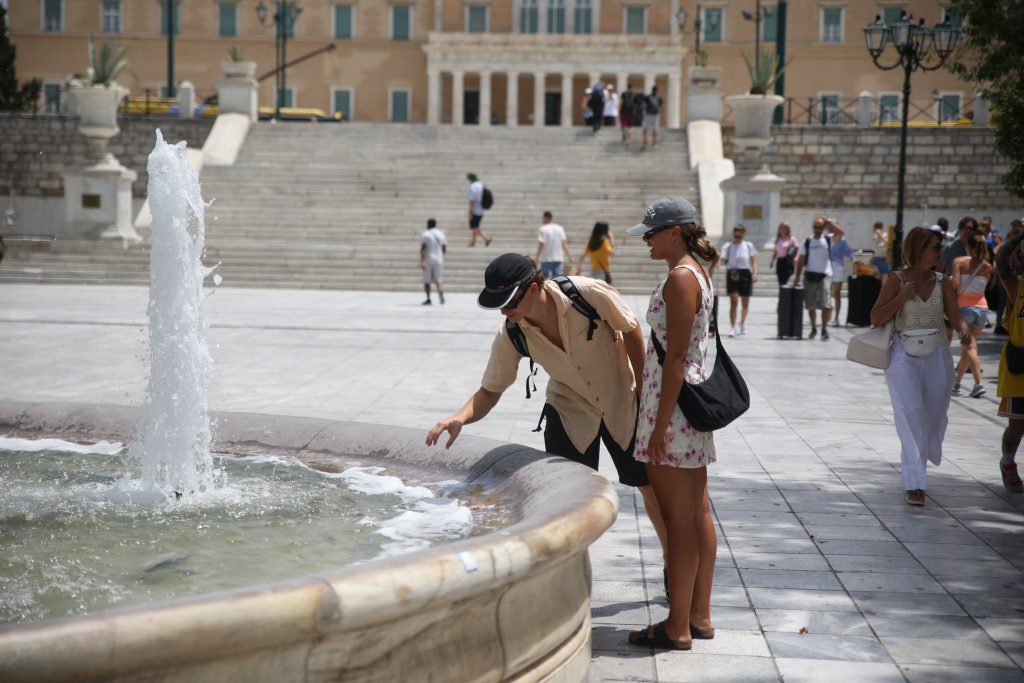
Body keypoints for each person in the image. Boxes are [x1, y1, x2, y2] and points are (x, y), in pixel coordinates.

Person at [426, 252, 669, 559]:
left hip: (622, 401)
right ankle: (570, 573)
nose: (505, 311)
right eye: (498, 305)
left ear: (533, 288)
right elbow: (490, 390)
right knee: (569, 500)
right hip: (569, 412)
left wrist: (646, 393)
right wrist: (459, 418)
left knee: (650, 488)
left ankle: (672, 563)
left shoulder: (586, 293)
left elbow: (631, 327)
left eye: (510, 301)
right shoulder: (512, 333)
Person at [624, 196, 718, 651]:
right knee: (696, 514)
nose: (645, 239)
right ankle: (698, 616)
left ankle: (677, 625)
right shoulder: (696, 273)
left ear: (674, 232)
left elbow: (677, 356)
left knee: (679, 520)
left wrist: (659, 426)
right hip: (685, 408)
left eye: (651, 232)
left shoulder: (681, 278)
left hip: (673, 410)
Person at [870, 227, 972, 506]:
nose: (940, 251)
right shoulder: (896, 279)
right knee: (911, 414)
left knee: (935, 414)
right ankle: (914, 482)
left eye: (940, 246)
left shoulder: (944, 282)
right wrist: (902, 297)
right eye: (934, 247)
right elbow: (876, 316)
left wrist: (963, 332)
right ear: (918, 249)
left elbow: (955, 316)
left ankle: (921, 460)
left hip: (937, 354)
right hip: (903, 355)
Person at [996, 225, 1024, 493]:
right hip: (1020, 365)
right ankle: (1007, 461)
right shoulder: (1017, 287)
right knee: (1017, 425)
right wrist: (1021, 235)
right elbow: (1001, 258)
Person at [951, 233, 993, 397]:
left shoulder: (959, 262)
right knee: (967, 348)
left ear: (967, 246)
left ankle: (978, 384)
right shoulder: (987, 266)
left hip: (964, 309)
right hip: (982, 310)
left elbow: (955, 283)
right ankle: (957, 383)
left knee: (969, 347)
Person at [794, 217, 833, 340]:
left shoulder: (828, 240)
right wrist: (797, 276)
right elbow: (801, 259)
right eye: (815, 227)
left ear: (824, 228)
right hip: (810, 275)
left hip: (825, 275)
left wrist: (829, 222)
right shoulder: (807, 242)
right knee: (811, 305)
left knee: (826, 304)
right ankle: (814, 328)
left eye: (820, 227)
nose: (817, 230)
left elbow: (840, 233)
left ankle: (824, 329)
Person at [720, 225, 757, 337]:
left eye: (740, 235)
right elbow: (721, 259)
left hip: (745, 273)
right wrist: (716, 263)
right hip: (733, 273)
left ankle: (742, 322)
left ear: (743, 235)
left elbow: (754, 261)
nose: (737, 237)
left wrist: (755, 273)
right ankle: (732, 327)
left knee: (745, 301)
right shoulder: (728, 246)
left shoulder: (748, 245)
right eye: (736, 235)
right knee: (734, 301)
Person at [827, 221, 856, 325]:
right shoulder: (828, 238)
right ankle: (828, 312)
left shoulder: (842, 241)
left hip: (838, 267)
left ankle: (836, 318)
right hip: (828, 266)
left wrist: (854, 262)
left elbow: (849, 253)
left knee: (836, 293)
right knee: (827, 292)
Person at [535, 211, 571, 278]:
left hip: (545, 258)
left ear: (546, 218)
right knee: (556, 278)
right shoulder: (560, 228)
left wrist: (537, 258)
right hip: (557, 258)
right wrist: (569, 256)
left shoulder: (543, 229)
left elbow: (541, 245)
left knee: (544, 279)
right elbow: (564, 244)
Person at [420, 218, 447, 306]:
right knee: (438, 279)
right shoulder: (441, 234)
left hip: (429, 259)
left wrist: (422, 261)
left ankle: (428, 298)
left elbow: (423, 248)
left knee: (427, 280)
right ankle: (440, 291)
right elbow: (444, 248)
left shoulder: (426, 234)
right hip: (439, 259)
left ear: (428, 224)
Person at [466, 173, 492, 247]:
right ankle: (473, 242)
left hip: (475, 210)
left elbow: (472, 201)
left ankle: (486, 238)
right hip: (481, 209)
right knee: (474, 226)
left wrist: (470, 212)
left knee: (474, 227)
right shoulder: (481, 184)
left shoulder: (473, 186)